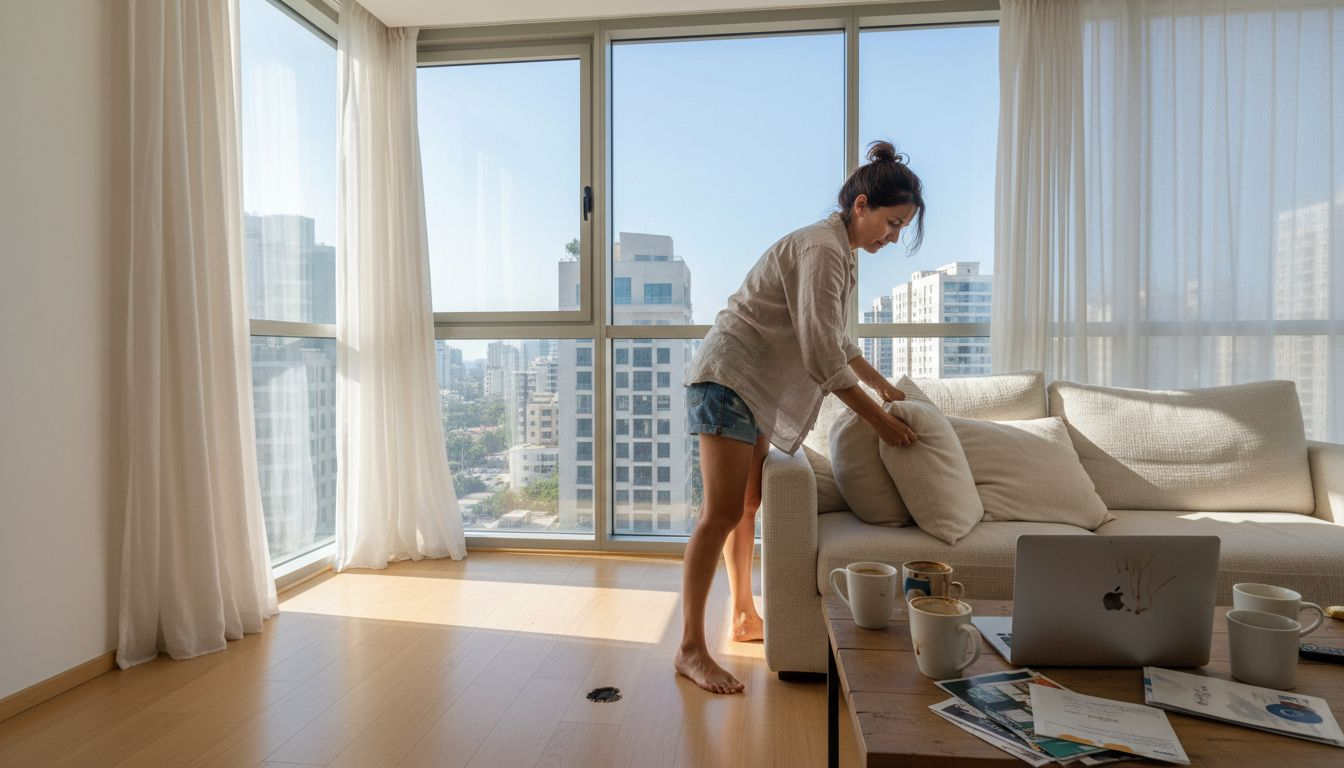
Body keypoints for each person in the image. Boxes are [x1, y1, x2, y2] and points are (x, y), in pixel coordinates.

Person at [675, 141, 925, 694]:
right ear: (861, 205)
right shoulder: (822, 249)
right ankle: (690, 648)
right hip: (728, 378)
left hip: (754, 386)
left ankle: (742, 613)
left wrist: (883, 387)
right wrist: (882, 424)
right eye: (891, 222)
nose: (893, 236)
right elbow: (819, 353)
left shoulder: (841, 252)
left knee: (746, 504)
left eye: (902, 227)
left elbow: (837, 338)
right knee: (718, 514)